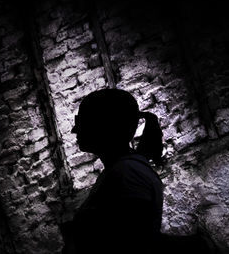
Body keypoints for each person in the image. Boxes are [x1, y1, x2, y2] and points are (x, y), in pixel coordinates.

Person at [61, 88, 164, 254]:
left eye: (83, 122)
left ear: (105, 126)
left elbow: (131, 243)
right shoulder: (123, 170)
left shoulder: (128, 174)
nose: (75, 130)